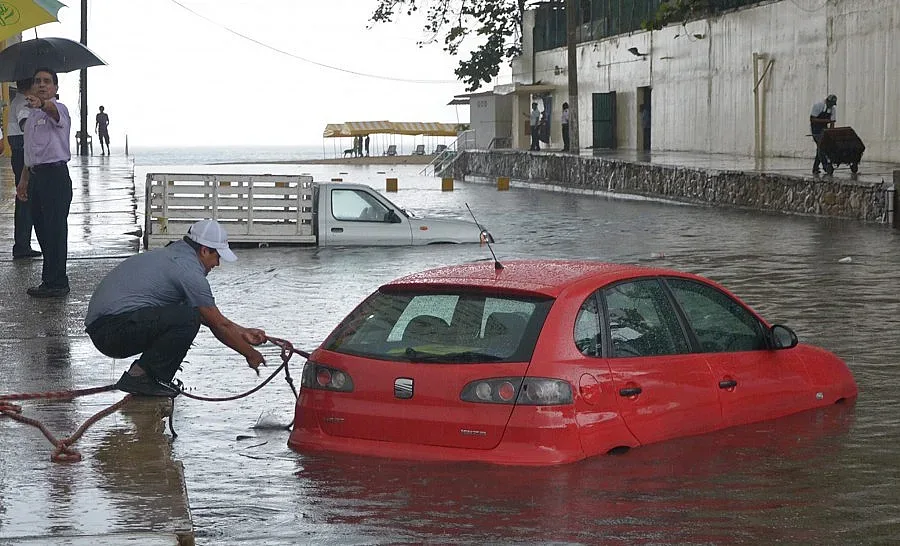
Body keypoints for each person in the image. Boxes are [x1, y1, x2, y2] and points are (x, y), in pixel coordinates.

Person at [84, 219, 267, 397]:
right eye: (217, 257)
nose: (217, 264)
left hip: (108, 328)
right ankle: (144, 378)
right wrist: (250, 354)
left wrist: (243, 332)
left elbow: (209, 317)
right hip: (110, 332)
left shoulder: (175, 255)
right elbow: (217, 325)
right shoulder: (188, 270)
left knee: (187, 313)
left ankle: (146, 376)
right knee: (188, 318)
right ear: (204, 250)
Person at [15, 68, 72, 298]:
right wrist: (24, 180)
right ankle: (49, 279)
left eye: (47, 81)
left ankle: (58, 282)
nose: (41, 84)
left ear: (55, 88)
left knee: (56, 230)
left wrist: (42, 104)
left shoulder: (58, 109)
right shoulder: (32, 116)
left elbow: (52, 111)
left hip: (55, 177)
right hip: (36, 176)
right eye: (37, 81)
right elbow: (31, 152)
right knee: (42, 230)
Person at [8, 79, 41, 260]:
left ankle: (22, 244)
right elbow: (25, 123)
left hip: (19, 150)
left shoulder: (17, 101)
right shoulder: (23, 102)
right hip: (23, 152)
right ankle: (22, 245)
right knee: (25, 197)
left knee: (24, 198)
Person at [810, 94, 837, 175]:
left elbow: (832, 122)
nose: (831, 106)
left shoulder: (832, 109)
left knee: (821, 148)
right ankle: (825, 167)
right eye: (830, 104)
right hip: (816, 130)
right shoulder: (818, 106)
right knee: (821, 147)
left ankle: (815, 168)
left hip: (824, 130)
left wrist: (831, 133)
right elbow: (812, 119)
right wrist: (825, 121)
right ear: (827, 101)